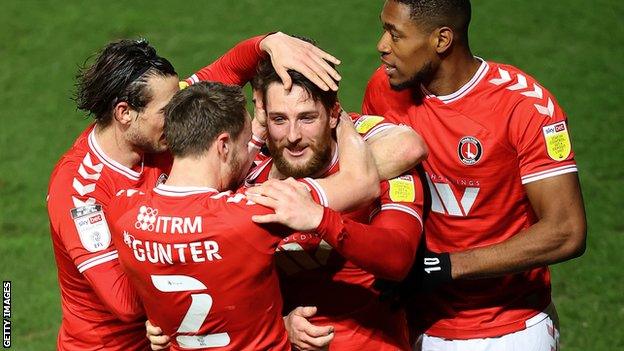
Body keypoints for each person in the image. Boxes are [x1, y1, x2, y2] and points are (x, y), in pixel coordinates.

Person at [47, 33, 344, 350]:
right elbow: (124, 303)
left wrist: (269, 43)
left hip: (178, 336)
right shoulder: (80, 190)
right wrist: (199, 249)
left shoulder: (160, 124)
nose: (179, 115)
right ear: (124, 113)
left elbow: (229, 70)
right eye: (168, 110)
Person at [362, 1, 587, 350]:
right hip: (417, 318)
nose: (381, 45)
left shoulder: (524, 107)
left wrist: (443, 267)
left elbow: (566, 231)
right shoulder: (383, 89)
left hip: (510, 327)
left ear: (442, 40)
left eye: (395, 34)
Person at [108, 81, 376, 350]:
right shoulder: (249, 215)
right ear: (223, 146)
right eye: (247, 143)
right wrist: (340, 120)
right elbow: (361, 184)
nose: (253, 153)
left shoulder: (122, 210)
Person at [245, 60, 425, 350]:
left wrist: (321, 218)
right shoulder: (247, 170)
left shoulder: (377, 160)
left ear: (333, 115)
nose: (292, 136)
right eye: (280, 119)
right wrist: (279, 325)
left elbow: (398, 257)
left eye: (307, 118)